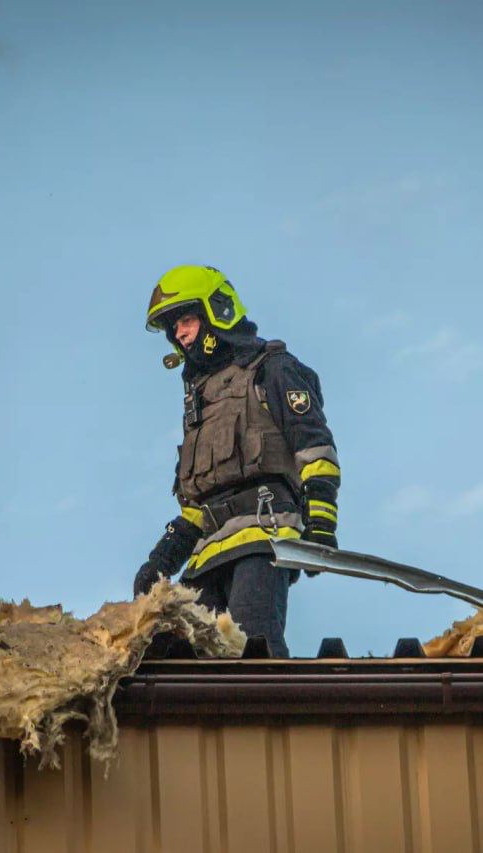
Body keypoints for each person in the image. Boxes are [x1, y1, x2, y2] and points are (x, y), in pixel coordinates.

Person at [133, 265, 340, 657]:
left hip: (262, 538)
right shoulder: (199, 399)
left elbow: (315, 449)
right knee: (182, 655)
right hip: (206, 557)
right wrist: (161, 560)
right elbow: (197, 504)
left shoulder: (272, 369)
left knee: (252, 653)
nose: (180, 333)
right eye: (174, 328)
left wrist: (321, 523)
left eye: (186, 320)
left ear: (217, 311)